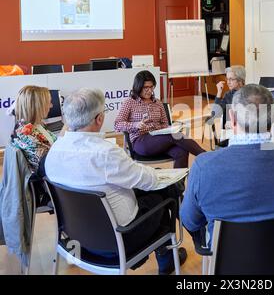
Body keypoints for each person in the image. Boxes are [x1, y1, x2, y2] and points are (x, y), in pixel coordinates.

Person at [45, 88, 187, 274]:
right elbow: (148, 181)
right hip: (120, 240)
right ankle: (176, 250)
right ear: (99, 119)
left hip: (76, 240)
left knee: (154, 189)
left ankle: (175, 248)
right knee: (167, 191)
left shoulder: (54, 151)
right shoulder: (106, 153)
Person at [181, 84, 274, 246]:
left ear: (233, 117)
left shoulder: (204, 166)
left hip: (228, 261)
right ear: (273, 117)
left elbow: (189, 221)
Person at [114, 70, 205, 168]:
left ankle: (178, 183)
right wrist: (136, 125)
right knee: (175, 135)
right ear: (138, 87)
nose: (149, 90)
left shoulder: (158, 103)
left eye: (151, 87)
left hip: (160, 140)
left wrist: (171, 128)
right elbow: (117, 124)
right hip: (141, 141)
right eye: (145, 87)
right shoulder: (129, 102)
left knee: (181, 151)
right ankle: (207, 156)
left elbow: (165, 123)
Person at [11, 85, 57, 176]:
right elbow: (49, 164)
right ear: (38, 106)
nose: (51, 106)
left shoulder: (31, 126)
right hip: (49, 181)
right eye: (49, 102)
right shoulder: (28, 135)